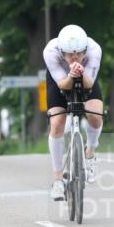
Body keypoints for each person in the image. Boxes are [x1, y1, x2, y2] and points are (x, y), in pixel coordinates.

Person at [44, 24, 105, 202]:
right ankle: (58, 180)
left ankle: (90, 152)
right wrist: (71, 75)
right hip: (61, 80)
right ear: (61, 52)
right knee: (57, 123)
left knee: (95, 115)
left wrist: (80, 73)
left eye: (79, 53)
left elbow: (89, 84)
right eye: (70, 54)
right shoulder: (50, 51)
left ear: (85, 49)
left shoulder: (94, 50)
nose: (75, 57)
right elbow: (62, 85)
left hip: (86, 77)